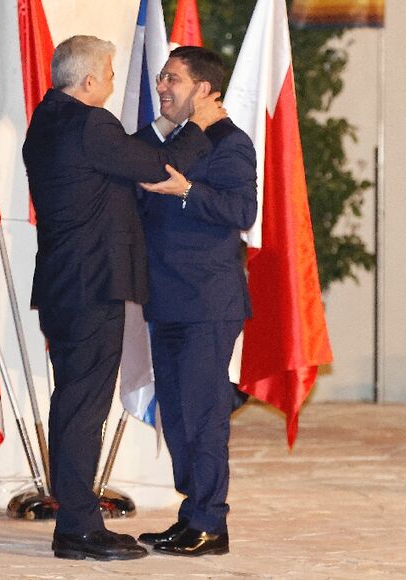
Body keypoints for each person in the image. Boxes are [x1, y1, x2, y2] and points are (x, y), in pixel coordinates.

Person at [22, 35, 226, 561]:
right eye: (110, 74)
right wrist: (199, 125)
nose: (115, 83)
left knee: (73, 402)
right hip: (93, 285)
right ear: (89, 81)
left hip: (66, 283)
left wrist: (163, 134)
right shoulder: (91, 124)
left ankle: (75, 519)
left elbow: (129, 155)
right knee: (83, 406)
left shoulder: (49, 119)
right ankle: (78, 528)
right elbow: (157, 168)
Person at [134, 46, 257, 557]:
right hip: (166, 298)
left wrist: (187, 192)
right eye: (162, 76)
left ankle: (211, 524)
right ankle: (193, 515)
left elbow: (242, 210)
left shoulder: (231, 143)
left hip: (208, 302)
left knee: (203, 417)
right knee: (181, 416)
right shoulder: (179, 139)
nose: (163, 86)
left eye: (175, 79)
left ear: (205, 89)